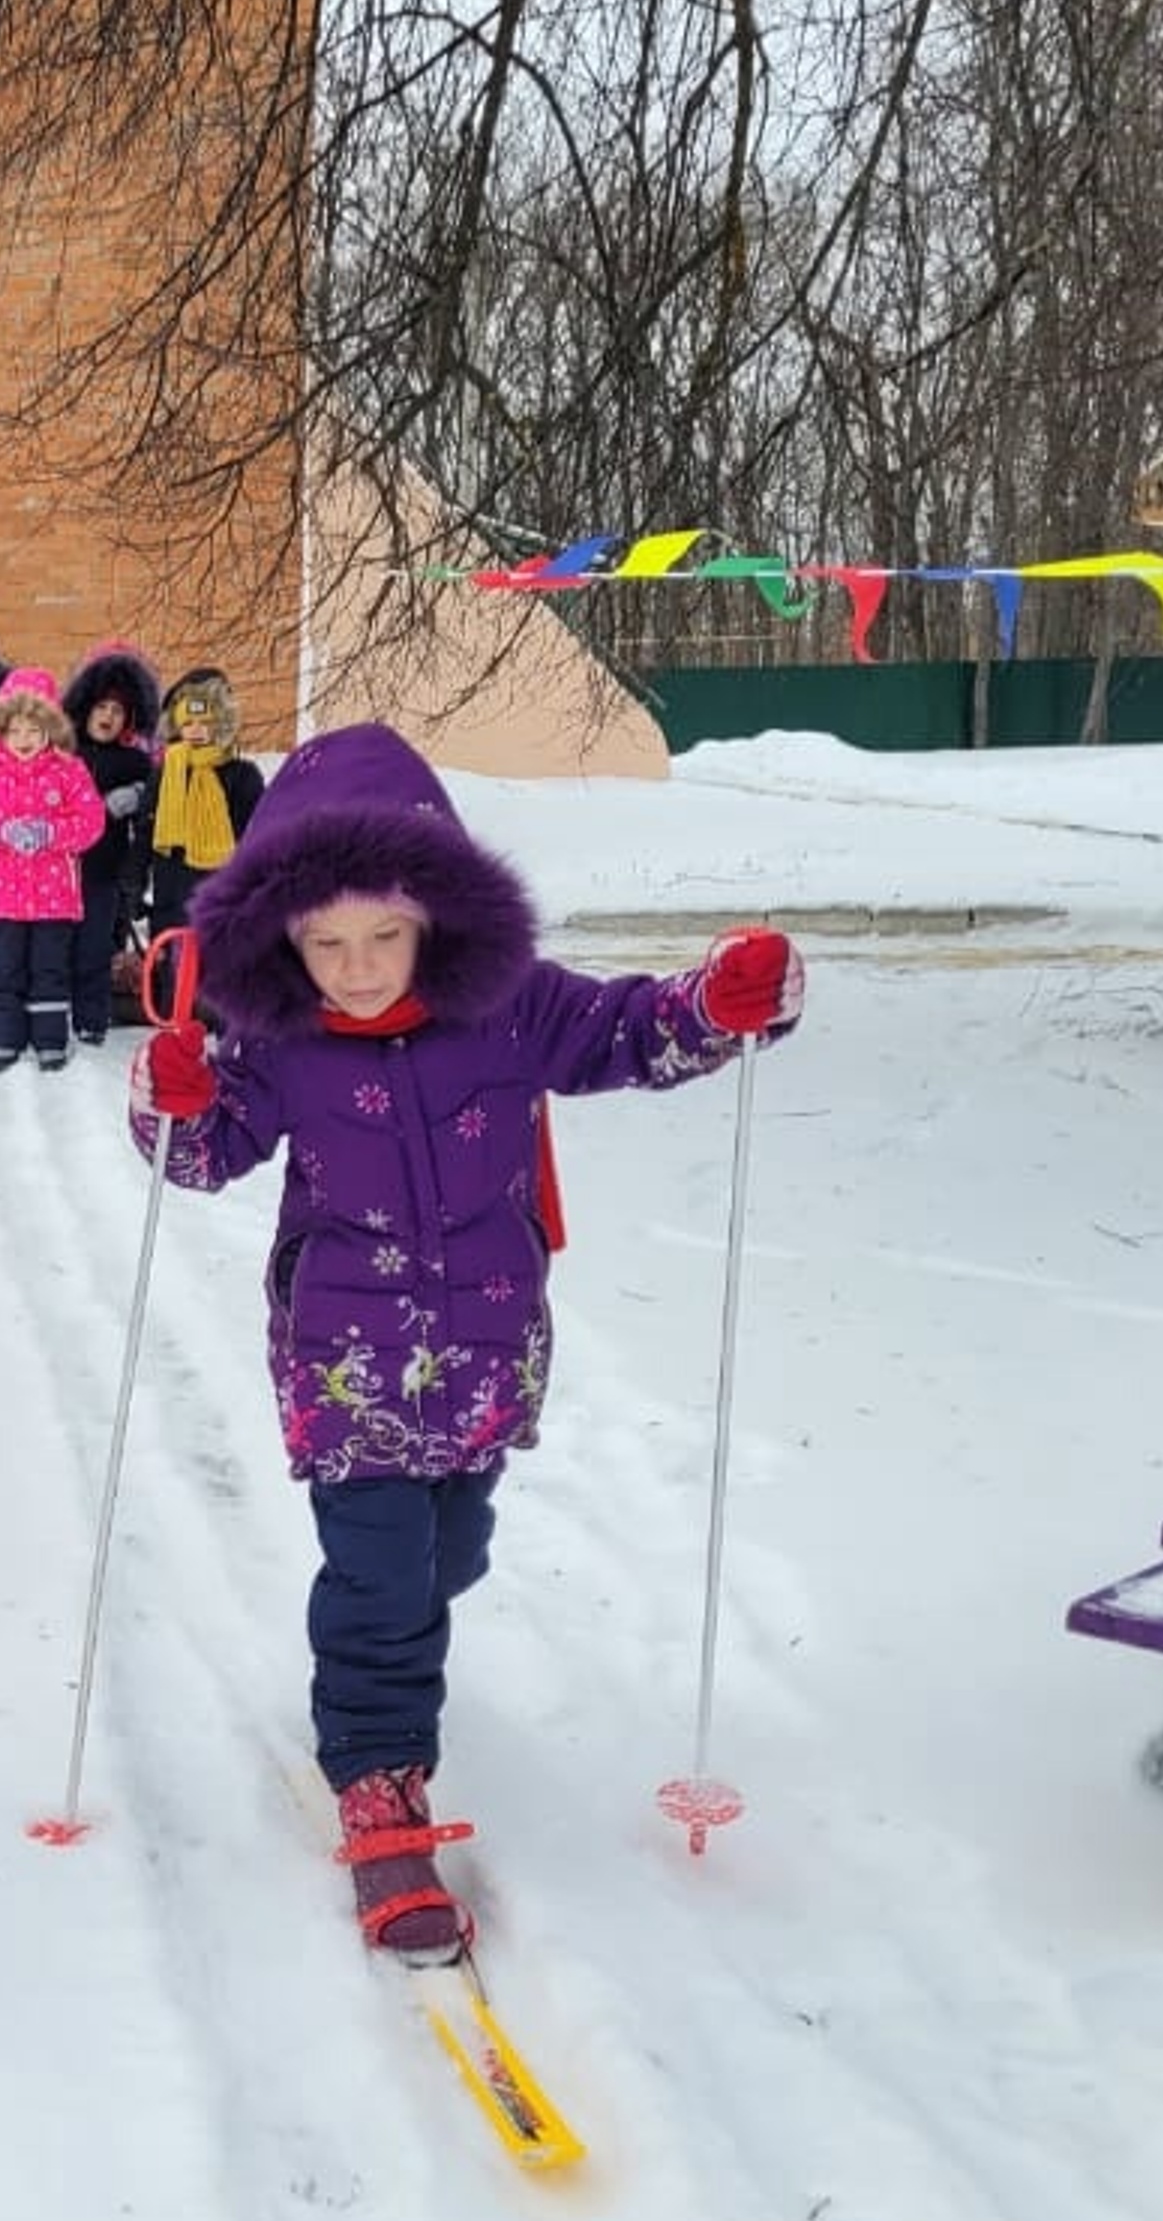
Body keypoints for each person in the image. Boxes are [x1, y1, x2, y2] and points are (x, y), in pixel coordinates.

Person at [129, 720, 800, 1963]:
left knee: (449, 1550)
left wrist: (722, 1006)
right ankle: (380, 1779)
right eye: (325, 945)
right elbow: (207, 1149)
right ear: (282, 942)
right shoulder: (277, 1040)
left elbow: (626, 1032)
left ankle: (394, 1650)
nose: (359, 967)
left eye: (384, 934)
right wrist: (169, 1098)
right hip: (347, 1358)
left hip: (488, 1345)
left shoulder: (510, 1009)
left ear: (433, 913)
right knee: (381, 1574)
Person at [0, 670, 107, 1071]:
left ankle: (50, 1040)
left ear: (49, 729)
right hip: (2, 898)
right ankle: (5, 1038)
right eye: (14, 729)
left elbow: (91, 821)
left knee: (49, 970)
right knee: (4, 968)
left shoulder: (69, 771)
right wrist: (0, 832)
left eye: (33, 729)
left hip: (53, 897)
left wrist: (52, 832)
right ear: (0, 731)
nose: (23, 739)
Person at [62, 645, 162, 1044]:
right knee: (54, 951)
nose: (107, 716)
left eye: (117, 710)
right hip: (58, 873)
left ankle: (91, 1020)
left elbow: (152, 813)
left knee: (97, 949)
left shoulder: (136, 764)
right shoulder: (64, 757)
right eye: (101, 706)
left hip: (106, 875)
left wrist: (139, 795)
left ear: (130, 718)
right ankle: (52, 1015)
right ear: (85, 708)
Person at [141, 664, 265, 940]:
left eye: (204, 722)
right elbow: (145, 833)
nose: (196, 731)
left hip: (224, 900)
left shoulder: (242, 776)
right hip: (172, 900)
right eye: (188, 723)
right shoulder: (166, 774)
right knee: (176, 979)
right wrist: (132, 885)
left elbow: (257, 843)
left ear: (220, 723)